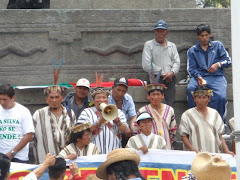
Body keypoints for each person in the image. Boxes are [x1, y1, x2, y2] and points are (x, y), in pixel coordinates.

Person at [187, 24, 231, 122]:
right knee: (190, 89)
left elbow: (228, 61)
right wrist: (198, 76)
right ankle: (195, 121)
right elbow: (191, 69)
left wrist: (218, 64)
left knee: (220, 97)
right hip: (199, 77)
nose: (204, 38)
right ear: (197, 36)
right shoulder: (192, 50)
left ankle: (220, 123)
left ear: (210, 34)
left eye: (206, 35)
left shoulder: (218, 45)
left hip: (216, 77)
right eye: (202, 36)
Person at [179, 86, 234, 155]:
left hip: (213, 152)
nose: (201, 100)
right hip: (196, 154)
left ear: (209, 99)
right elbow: (184, 135)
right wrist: (191, 148)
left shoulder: (215, 114)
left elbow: (220, 136)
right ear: (194, 99)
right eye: (199, 97)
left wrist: (227, 151)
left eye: (204, 97)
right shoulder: (187, 115)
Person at [78, 87, 130, 154]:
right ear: (93, 101)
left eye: (104, 97)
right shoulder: (86, 112)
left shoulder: (117, 111)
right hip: (93, 153)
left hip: (114, 152)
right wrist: (99, 122)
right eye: (98, 98)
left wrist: (118, 122)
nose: (101, 100)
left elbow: (126, 131)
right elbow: (80, 132)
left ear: (107, 100)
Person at [33, 85, 76, 163]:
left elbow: (75, 136)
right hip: (45, 161)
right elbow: (32, 136)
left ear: (62, 98)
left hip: (67, 160)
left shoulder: (70, 113)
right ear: (47, 99)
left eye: (57, 97)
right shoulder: (39, 114)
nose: (54, 100)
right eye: (51, 97)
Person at [142, 19, 180, 107]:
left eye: (162, 31)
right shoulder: (149, 45)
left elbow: (177, 62)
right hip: (155, 78)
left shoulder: (172, 46)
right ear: (154, 32)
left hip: (170, 78)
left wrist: (172, 72)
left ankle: (169, 119)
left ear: (166, 32)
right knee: (155, 102)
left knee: (170, 103)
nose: (160, 34)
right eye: (157, 31)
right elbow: (147, 64)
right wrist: (163, 73)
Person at [0, 84, 34, 163]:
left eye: (5, 99)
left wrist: (13, 152)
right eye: (0, 99)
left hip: (19, 157)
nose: (2, 102)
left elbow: (29, 135)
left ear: (13, 98)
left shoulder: (23, 111)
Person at [136, 83, 177, 150]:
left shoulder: (169, 110)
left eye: (158, 94)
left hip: (166, 146)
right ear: (148, 96)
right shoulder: (142, 111)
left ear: (162, 95)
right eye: (153, 94)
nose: (156, 97)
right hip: (148, 148)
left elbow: (173, 130)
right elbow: (137, 130)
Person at [108, 77, 137, 146]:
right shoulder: (107, 98)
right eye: (118, 90)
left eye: (123, 91)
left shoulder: (128, 98)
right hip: (112, 129)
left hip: (126, 130)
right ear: (112, 88)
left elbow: (133, 117)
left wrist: (132, 129)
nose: (120, 93)